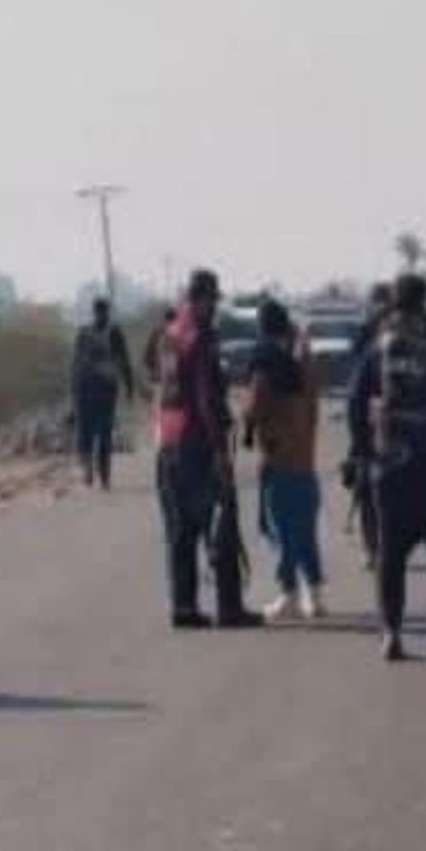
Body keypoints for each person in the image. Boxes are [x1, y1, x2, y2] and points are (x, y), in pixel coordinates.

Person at [348, 273, 426, 661]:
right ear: (424, 303)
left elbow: (355, 404)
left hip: (391, 468)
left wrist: (364, 452)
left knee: (390, 553)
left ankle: (392, 634)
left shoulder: (378, 350)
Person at [155, 269, 262, 630]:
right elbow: (204, 396)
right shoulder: (200, 338)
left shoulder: (170, 334)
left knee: (181, 529)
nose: (215, 307)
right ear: (201, 298)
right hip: (197, 442)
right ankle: (229, 607)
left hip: (169, 439)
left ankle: (184, 606)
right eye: (213, 300)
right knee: (223, 523)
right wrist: (219, 448)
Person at [243, 300, 326, 621]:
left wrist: (246, 415)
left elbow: (255, 405)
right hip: (305, 460)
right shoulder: (304, 363)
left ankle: (289, 592)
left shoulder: (266, 362)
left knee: (278, 531)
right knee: (304, 533)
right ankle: (314, 594)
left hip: (279, 460)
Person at [345, 282, 393, 566]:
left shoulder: (405, 335)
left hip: (395, 425)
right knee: (366, 488)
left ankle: (384, 545)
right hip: (369, 422)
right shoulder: (366, 336)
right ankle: (372, 546)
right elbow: (357, 386)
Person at [71, 297, 134, 488]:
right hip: (105, 390)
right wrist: (129, 387)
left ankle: (89, 469)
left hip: (85, 389)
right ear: (106, 312)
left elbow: (75, 364)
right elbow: (124, 361)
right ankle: (103, 475)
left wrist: (73, 390)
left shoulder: (83, 332)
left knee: (86, 432)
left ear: (94, 312)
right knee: (103, 433)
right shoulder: (114, 333)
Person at [143, 305, 178, 387]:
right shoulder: (158, 333)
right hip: (161, 376)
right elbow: (148, 355)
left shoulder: (158, 332)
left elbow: (147, 356)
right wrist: (153, 371)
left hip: (170, 377)